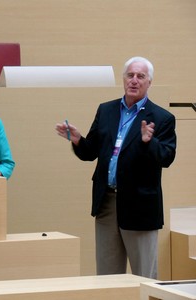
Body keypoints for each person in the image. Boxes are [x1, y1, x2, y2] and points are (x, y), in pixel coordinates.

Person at [55, 56, 176, 279]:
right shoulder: (106, 110)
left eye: (141, 76)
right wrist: (77, 139)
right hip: (107, 204)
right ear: (123, 79)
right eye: (130, 75)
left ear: (149, 82)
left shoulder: (162, 118)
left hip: (140, 206)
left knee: (144, 276)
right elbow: (90, 152)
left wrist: (150, 142)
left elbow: (167, 157)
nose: (134, 80)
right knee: (108, 277)